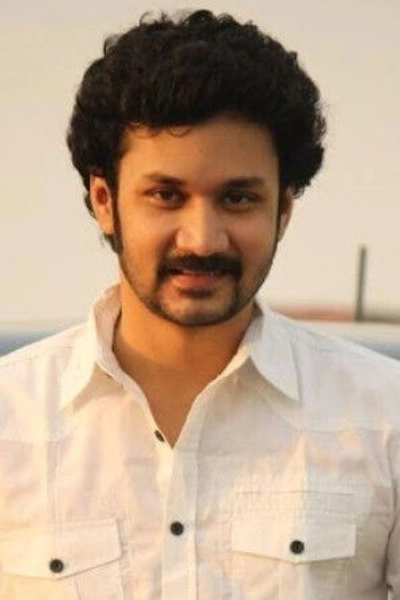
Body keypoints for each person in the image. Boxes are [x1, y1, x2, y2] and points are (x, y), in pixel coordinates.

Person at [0, 9, 399, 600]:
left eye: (238, 198)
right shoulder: (11, 420)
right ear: (105, 200)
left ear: (283, 210)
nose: (202, 240)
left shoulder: (384, 420)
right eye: (166, 195)